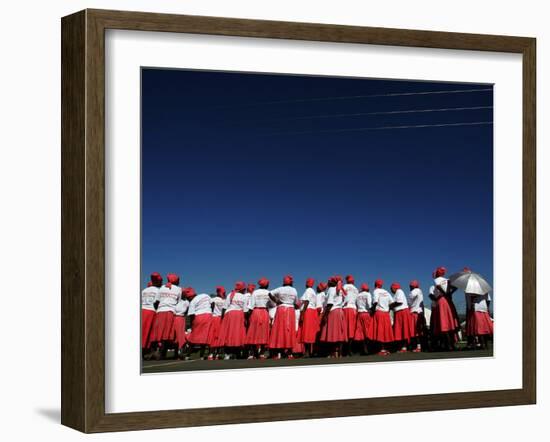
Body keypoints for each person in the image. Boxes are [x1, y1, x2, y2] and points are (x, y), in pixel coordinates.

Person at [150, 273, 182, 360]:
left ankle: (153, 352)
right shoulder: (179, 289)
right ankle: (161, 353)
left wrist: (158, 309)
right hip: (170, 312)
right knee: (166, 334)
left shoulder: (162, 288)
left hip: (160, 312)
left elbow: (156, 302)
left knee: (157, 333)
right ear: (176, 281)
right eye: (178, 280)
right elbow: (178, 302)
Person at [268, 275, 300, 359]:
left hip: (281, 309)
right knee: (289, 330)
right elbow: (296, 302)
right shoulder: (294, 290)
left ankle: (278, 352)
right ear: (291, 282)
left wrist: (277, 301)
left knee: (279, 329)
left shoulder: (280, 289)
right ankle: (289, 352)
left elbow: (270, 293)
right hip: (290, 309)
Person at [430, 266, 460, 350]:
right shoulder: (447, 280)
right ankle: (452, 344)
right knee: (450, 322)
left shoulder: (436, 280)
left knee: (444, 323)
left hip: (442, 300)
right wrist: (449, 293)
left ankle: (448, 345)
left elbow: (439, 287)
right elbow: (455, 287)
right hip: (448, 300)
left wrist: (444, 293)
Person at [218, 281, 248, 359]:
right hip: (239, 315)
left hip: (229, 315)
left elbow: (224, 308)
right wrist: (246, 319)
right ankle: (236, 354)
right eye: (244, 289)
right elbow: (245, 310)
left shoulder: (230, 294)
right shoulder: (244, 297)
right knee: (237, 335)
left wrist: (222, 318)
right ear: (242, 289)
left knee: (228, 334)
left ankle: (227, 354)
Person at [319, 276, 347, 357]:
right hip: (340, 311)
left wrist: (325, 315)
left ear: (333, 282)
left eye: (329, 281)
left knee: (331, 333)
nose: (328, 283)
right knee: (340, 333)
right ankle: (340, 353)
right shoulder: (340, 289)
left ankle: (332, 353)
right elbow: (346, 300)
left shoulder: (331, 289)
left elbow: (330, 303)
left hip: (332, 311)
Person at [245, 278, 271, 359]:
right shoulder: (269, 292)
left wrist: (247, 317)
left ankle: (252, 354)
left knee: (253, 332)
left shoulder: (255, 292)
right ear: (266, 285)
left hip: (255, 312)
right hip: (265, 312)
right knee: (264, 333)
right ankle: (262, 353)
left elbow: (251, 306)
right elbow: (272, 304)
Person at [368, 279, 395, 355]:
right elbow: (392, 303)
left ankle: (381, 350)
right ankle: (386, 349)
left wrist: (372, 310)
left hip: (379, 313)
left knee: (379, 332)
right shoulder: (386, 292)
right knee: (386, 332)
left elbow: (375, 301)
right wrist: (388, 310)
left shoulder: (376, 291)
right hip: (386, 313)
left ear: (375, 285)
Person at [185, 288, 213, 359]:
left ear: (190, 296)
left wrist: (192, 326)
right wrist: (210, 311)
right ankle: (202, 356)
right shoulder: (205, 295)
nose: (188, 299)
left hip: (198, 317)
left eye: (188, 298)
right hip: (208, 316)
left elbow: (191, 315)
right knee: (205, 337)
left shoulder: (192, 301)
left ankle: (187, 355)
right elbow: (212, 303)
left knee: (193, 337)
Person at [141, 272, 162, 358]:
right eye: (161, 281)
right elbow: (156, 303)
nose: (161, 283)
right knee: (150, 333)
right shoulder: (158, 290)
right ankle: (148, 351)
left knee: (142, 331)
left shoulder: (144, 290)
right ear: (157, 281)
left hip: (142, 310)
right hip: (151, 312)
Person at [299, 278, 319, 357]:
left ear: (307, 284)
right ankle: (310, 352)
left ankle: (307, 352)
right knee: (310, 332)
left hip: (308, 311)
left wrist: (303, 313)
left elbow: (306, 301)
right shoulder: (313, 292)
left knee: (306, 332)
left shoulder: (308, 291)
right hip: (313, 311)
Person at [390, 282, 413, 353]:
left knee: (403, 329)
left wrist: (390, 306)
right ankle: (403, 346)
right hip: (399, 312)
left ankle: (404, 347)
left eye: (391, 288)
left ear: (394, 287)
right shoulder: (397, 293)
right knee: (400, 330)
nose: (391, 290)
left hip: (402, 312)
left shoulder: (399, 291)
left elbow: (399, 302)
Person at [207, 286, 226, 360]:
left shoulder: (213, 300)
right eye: (223, 292)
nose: (224, 294)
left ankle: (212, 354)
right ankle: (216, 354)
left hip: (214, 318)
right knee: (218, 337)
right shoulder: (223, 301)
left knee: (214, 337)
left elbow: (210, 309)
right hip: (220, 319)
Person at [354, 283, 373, 355]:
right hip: (366, 313)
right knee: (367, 332)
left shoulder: (358, 295)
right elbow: (369, 304)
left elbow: (356, 304)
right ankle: (367, 349)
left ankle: (362, 348)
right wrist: (371, 311)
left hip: (359, 314)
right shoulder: (368, 294)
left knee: (361, 332)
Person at [342, 274, 359, 354]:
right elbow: (357, 300)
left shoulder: (345, 286)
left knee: (344, 328)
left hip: (345, 308)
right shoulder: (356, 289)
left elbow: (342, 296)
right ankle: (350, 349)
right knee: (351, 329)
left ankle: (344, 349)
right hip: (354, 309)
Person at [408, 280, 425, 352]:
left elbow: (409, 300)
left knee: (416, 331)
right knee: (419, 330)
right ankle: (420, 346)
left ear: (412, 286)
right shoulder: (420, 291)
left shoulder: (415, 291)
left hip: (415, 312)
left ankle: (418, 347)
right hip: (419, 312)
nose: (409, 287)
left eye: (410, 286)